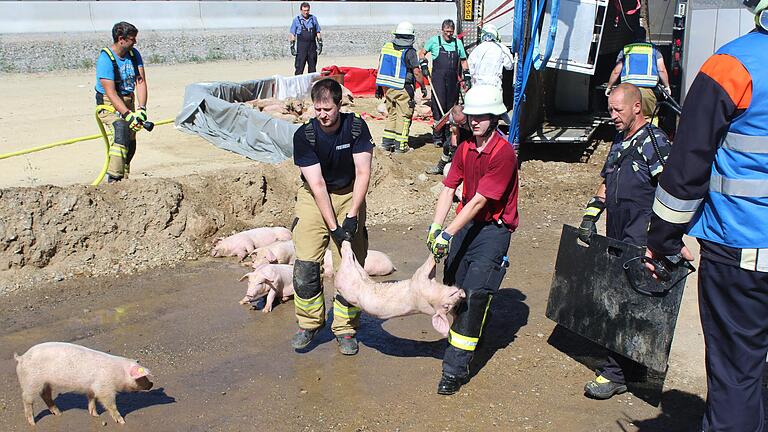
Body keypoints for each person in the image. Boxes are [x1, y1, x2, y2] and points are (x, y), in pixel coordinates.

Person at [645, 1, 768, 429]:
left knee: (737, 375)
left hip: (742, 253)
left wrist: (661, 239)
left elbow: (687, 168)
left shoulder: (731, 66)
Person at [578, 83, 671, 399]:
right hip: (616, 237)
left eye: (618, 110)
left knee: (623, 304)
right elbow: (607, 178)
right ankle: (633, 367)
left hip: (640, 240)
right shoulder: (621, 141)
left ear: (636, 108)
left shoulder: (655, 143)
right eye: (610, 110)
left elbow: (670, 191)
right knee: (625, 301)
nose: (613, 116)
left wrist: (659, 240)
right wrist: (591, 214)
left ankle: (614, 374)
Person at [426, 85, 519, 395]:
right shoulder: (465, 148)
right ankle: (479, 321)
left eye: (482, 116)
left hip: (492, 231)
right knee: (453, 286)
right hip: (465, 226)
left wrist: (447, 233)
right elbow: (449, 187)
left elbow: (479, 201)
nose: (475, 121)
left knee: (472, 295)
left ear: (494, 118)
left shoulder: (503, 153)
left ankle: (453, 371)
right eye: (471, 116)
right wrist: (435, 226)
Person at [290, 78, 374, 356]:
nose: (323, 115)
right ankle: (310, 323)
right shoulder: (305, 136)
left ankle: (345, 328)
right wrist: (334, 226)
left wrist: (351, 218)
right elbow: (317, 186)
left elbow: (363, 173)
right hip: (314, 199)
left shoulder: (357, 128)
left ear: (340, 104)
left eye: (328, 109)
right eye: (317, 109)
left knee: (350, 265)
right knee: (305, 266)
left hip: (350, 194)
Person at [95, 21, 148, 183]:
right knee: (121, 127)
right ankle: (114, 177)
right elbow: (110, 93)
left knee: (131, 137)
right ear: (121, 39)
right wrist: (127, 114)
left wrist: (141, 108)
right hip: (108, 104)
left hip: (128, 100)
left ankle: (124, 173)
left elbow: (140, 82)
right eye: (132, 39)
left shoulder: (134, 55)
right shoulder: (106, 59)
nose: (135, 42)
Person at [375, 21, 427, 154]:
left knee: (392, 114)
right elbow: (416, 72)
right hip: (403, 87)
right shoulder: (409, 52)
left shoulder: (387, 47)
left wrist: (378, 87)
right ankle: (401, 146)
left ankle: (387, 143)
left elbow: (381, 66)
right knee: (404, 116)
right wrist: (422, 86)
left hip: (388, 88)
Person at [419, 19, 470, 149]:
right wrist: (423, 64)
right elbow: (421, 53)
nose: (449, 34)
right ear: (442, 30)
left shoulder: (458, 43)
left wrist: (467, 75)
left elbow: (463, 61)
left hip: (453, 81)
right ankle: (437, 137)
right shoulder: (434, 41)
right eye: (447, 32)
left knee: (450, 108)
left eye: (451, 32)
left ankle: (448, 136)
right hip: (438, 80)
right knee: (438, 106)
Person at [605, 27, 671, 122]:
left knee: (628, 118)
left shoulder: (626, 50)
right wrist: (667, 86)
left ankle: (629, 136)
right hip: (648, 92)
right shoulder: (654, 50)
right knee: (648, 117)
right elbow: (662, 70)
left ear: (633, 37)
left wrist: (609, 87)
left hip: (628, 92)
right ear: (645, 37)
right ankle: (650, 135)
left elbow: (616, 71)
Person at [425, 104, 472, 175]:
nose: (460, 123)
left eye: (462, 121)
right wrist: (454, 151)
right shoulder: (452, 118)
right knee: (447, 145)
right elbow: (455, 133)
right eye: (457, 122)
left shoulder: (473, 116)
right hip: (462, 131)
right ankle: (441, 167)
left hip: (475, 133)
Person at [467, 24, 514, 89]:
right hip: (494, 85)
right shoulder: (502, 48)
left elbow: (470, 68)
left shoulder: (476, 49)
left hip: (478, 85)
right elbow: (509, 66)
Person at [289, 2, 322, 76]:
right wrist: (292, 46)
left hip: (312, 47)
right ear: (301, 10)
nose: (306, 12)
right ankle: (297, 86)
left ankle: (312, 85)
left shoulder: (313, 19)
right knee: (299, 68)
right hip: (301, 47)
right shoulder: (296, 20)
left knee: (312, 69)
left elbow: (318, 31)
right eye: (304, 10)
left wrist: (320, 43)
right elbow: (292, 34)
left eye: (307, 10)